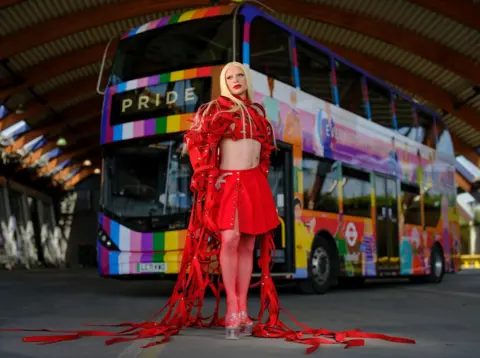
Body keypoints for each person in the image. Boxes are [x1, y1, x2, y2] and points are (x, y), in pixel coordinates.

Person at [0, 62, 415, 353]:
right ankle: (234, 306)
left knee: (250, 243)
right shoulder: (212, 110)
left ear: (246, 82)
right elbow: (195, 142)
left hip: (253, 184)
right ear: (222, 82)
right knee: (230, 238)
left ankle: (241, 311)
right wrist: (206, 173)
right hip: (227, 184)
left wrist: (265, 177)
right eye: (229, 76)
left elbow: (266, 154)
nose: (235, 80)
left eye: (241, 75)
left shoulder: (258, 114)